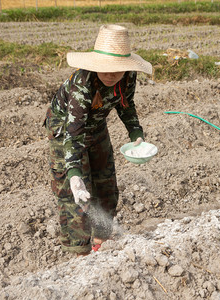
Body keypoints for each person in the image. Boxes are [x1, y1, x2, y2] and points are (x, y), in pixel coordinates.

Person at [44, 24, 152, 256]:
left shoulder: (128, 77)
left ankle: (100, 239)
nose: (112, 75)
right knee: (77, 193)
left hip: (97, 124)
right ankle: (80, 252)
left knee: (105, 182)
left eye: (118, 69)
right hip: (66, 129)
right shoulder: (83, 83)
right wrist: (73, 174)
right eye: (106, 69)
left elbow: (126, 104)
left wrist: (136, 133)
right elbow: (74, 132)